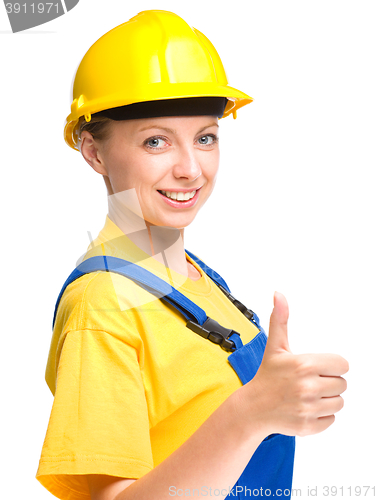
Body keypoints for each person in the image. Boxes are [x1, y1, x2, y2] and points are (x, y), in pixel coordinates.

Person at [35, 10, 349, 500]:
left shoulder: (200, 280)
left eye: (205, 138)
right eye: (156, 141)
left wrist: (280, 402)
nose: (190, 168)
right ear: (93, 152)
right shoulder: (102, 307)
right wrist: (249, 414)